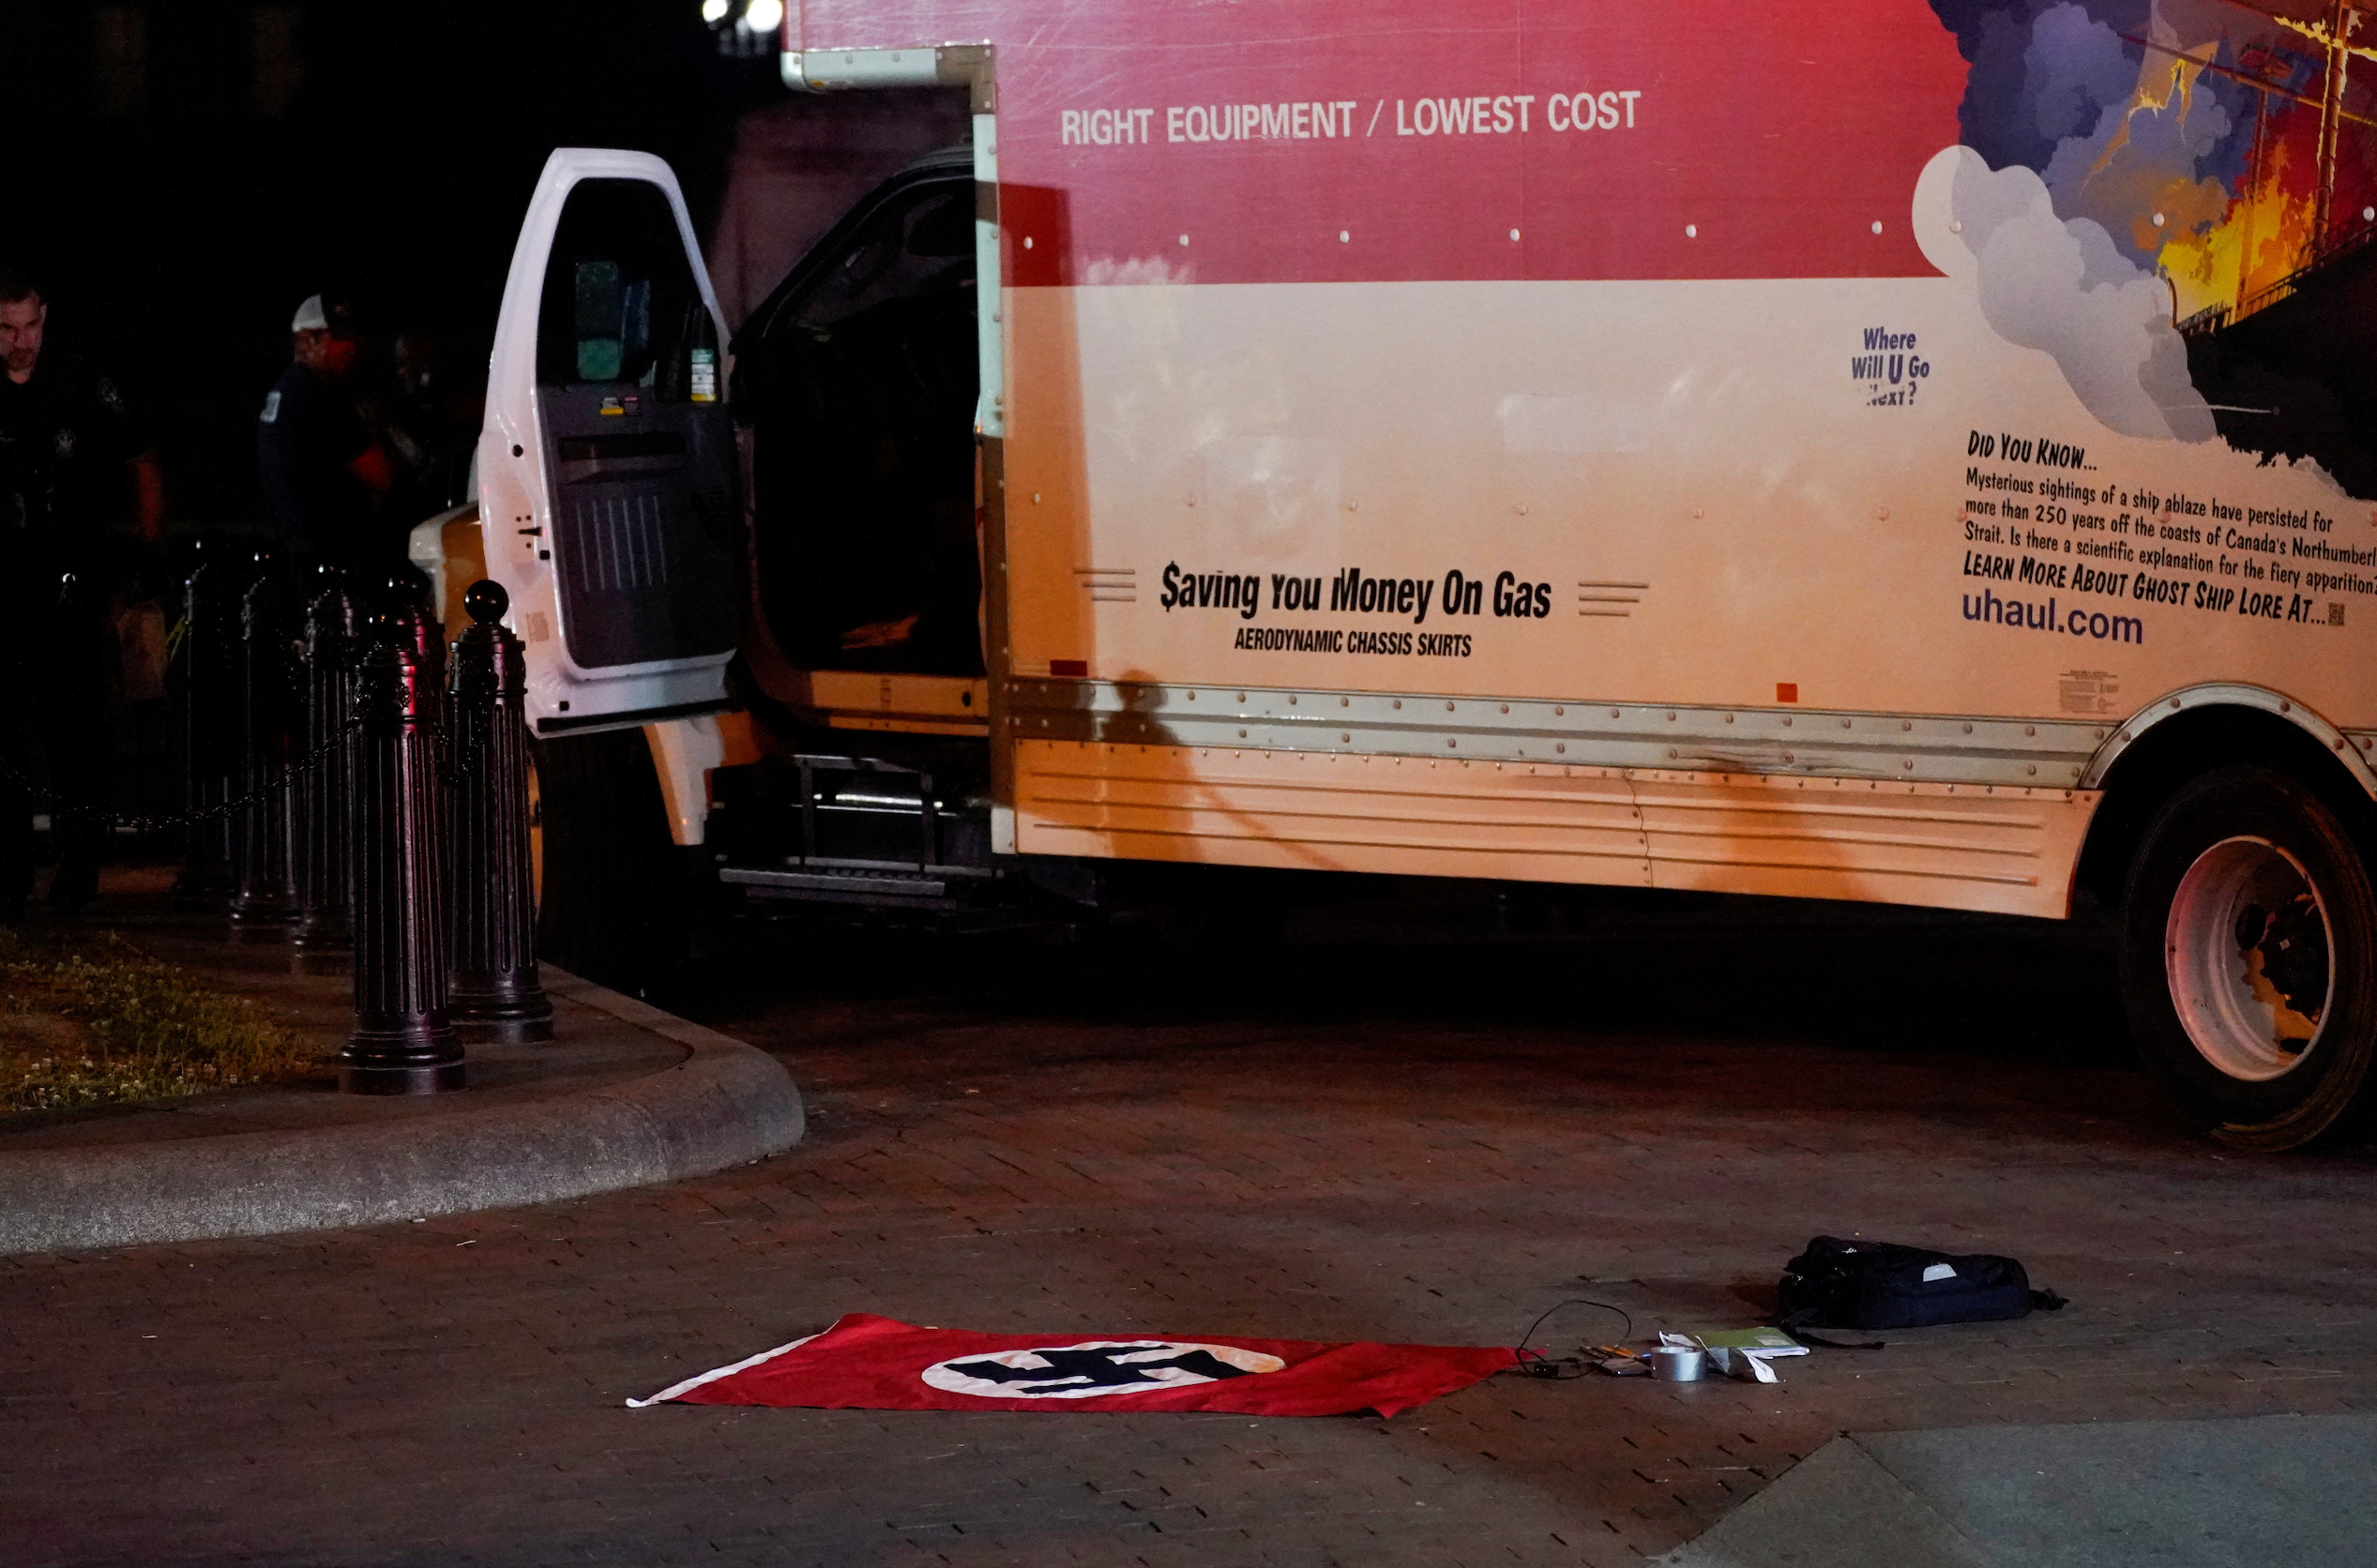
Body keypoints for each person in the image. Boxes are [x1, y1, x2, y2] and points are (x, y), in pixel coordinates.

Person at [0, 265, 166, 918]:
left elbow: (142, 461)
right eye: (8, 328)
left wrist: (144, 564)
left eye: (32, 324)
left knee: (76, 737)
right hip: (4, 592)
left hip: (73, 588)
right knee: (5, 738)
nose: (22, 341)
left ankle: (79, 869)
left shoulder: (78, 384)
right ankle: (9, 876)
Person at [256, 293, 395, 567]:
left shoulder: (288, 388)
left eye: (354, 335)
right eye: (339, 337)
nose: (351, 346)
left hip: (302, 545)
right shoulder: (318, 397)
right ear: (307, 339)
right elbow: (383, 476)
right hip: (332, 552)